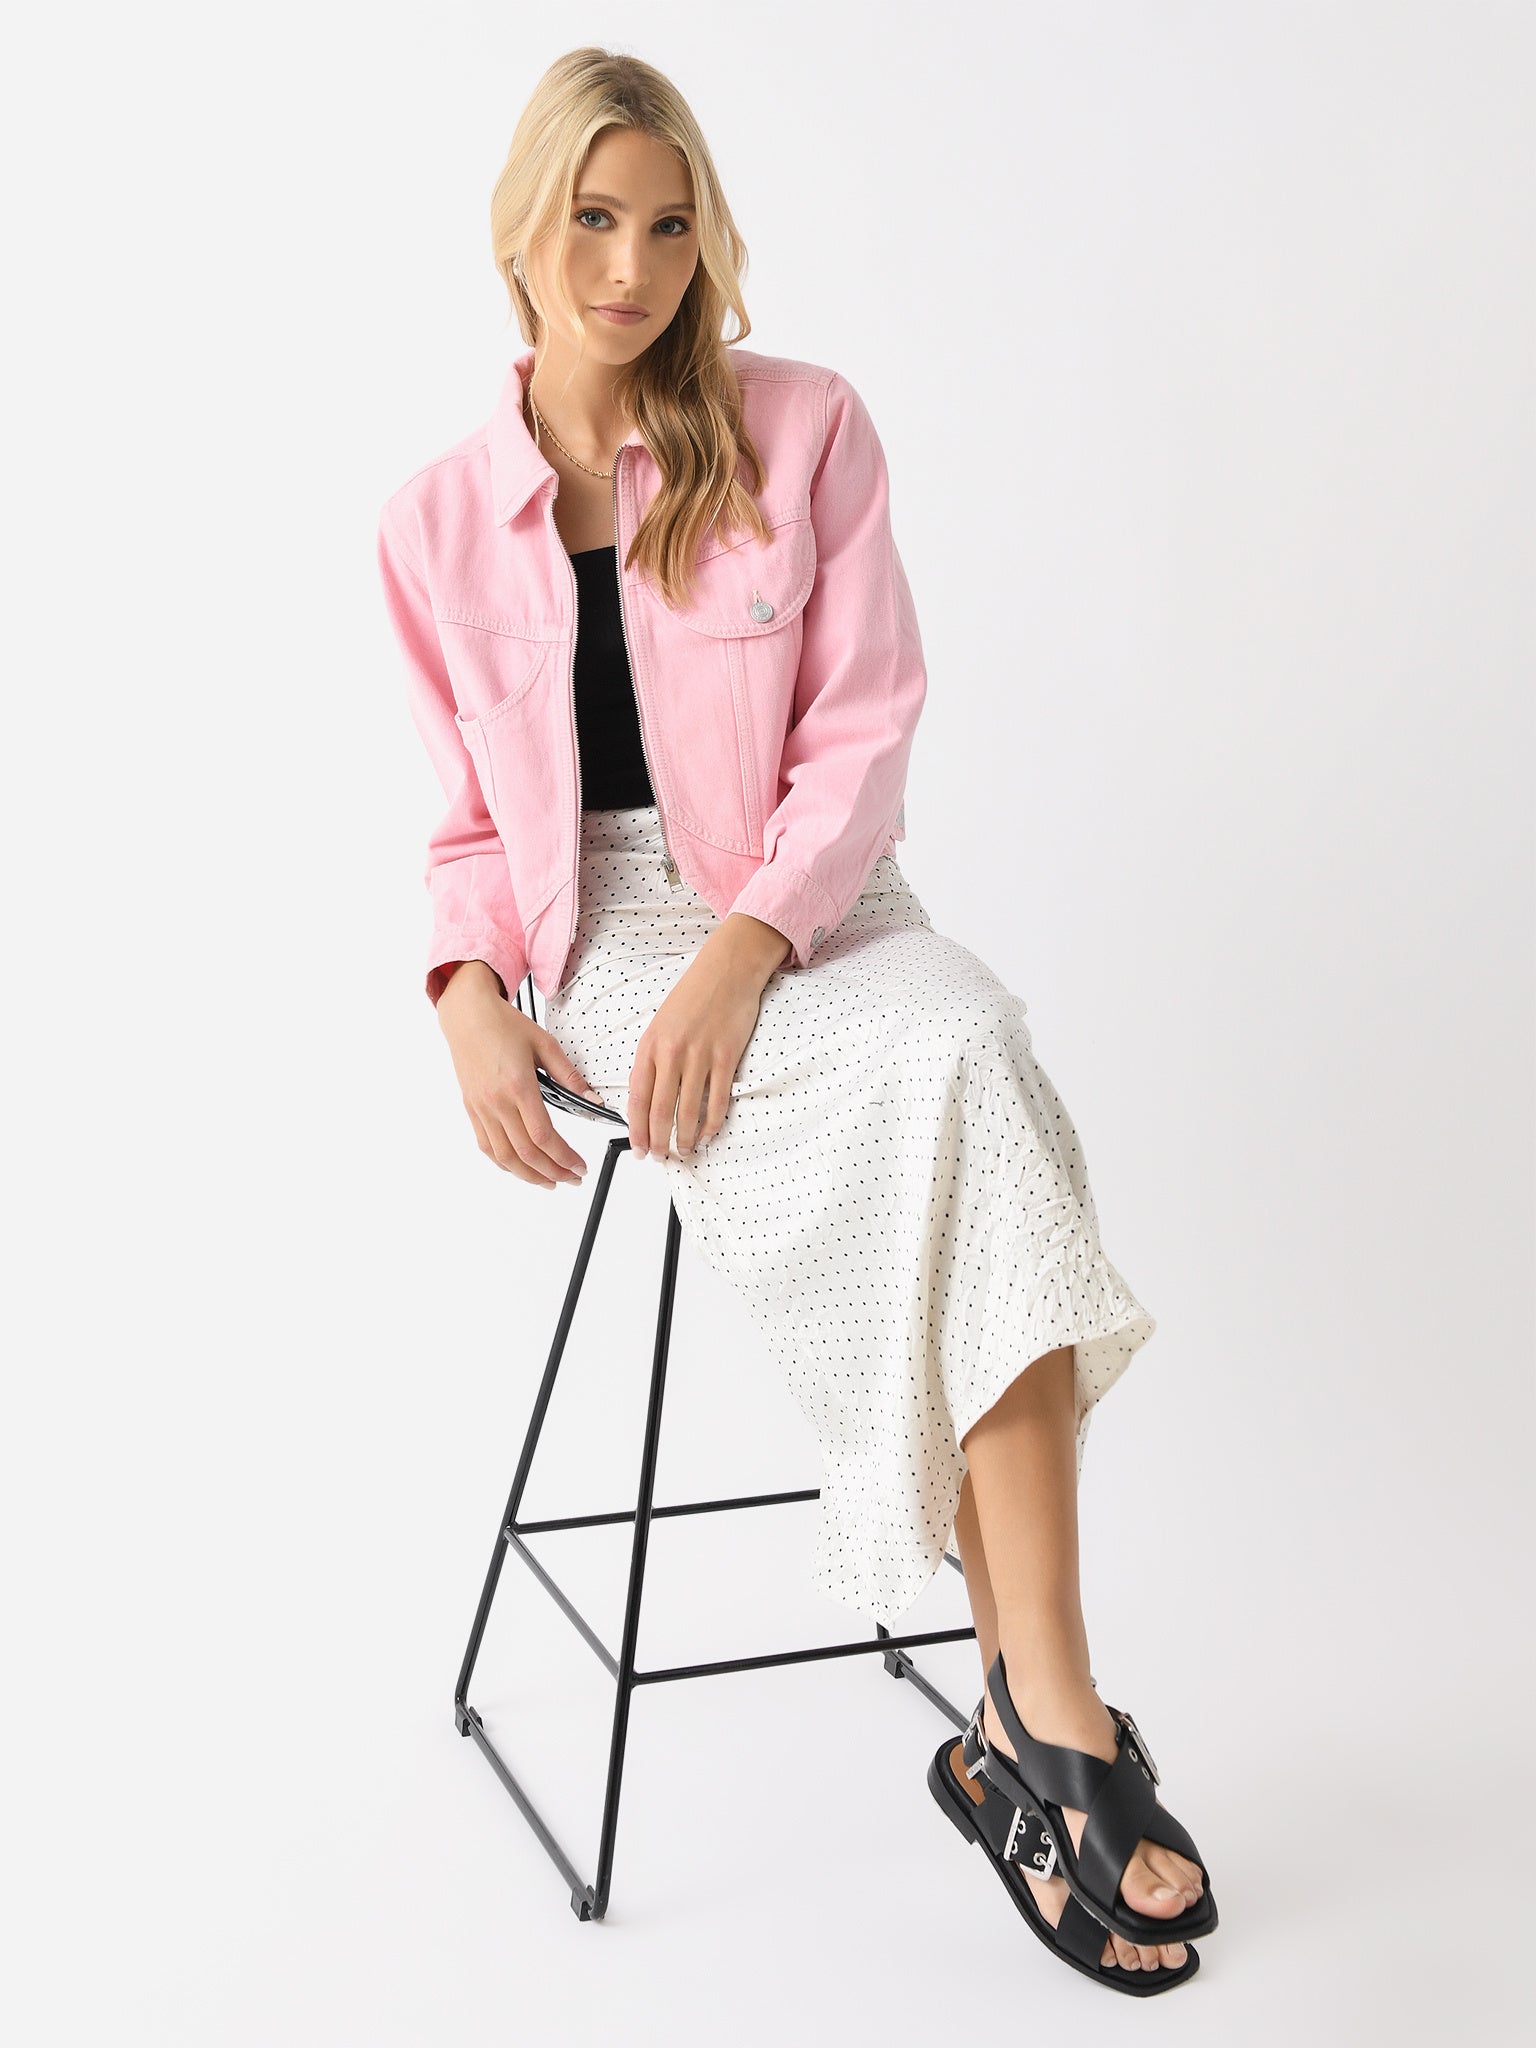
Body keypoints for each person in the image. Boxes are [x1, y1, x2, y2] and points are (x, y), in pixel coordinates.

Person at [376, 45, 1217, 1992]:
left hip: (809, 904)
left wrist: (751, 940)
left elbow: (864, 731)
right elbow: (463, 831)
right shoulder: (432, 524)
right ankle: (1050, 1731)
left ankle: (1037, 1709)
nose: (633, 267)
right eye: (595, 219)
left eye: (670, 225)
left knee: (969, 1049)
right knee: (959, 1092)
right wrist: (466, 1000)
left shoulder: (802, 428)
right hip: (604, 942)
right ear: (522, 232)